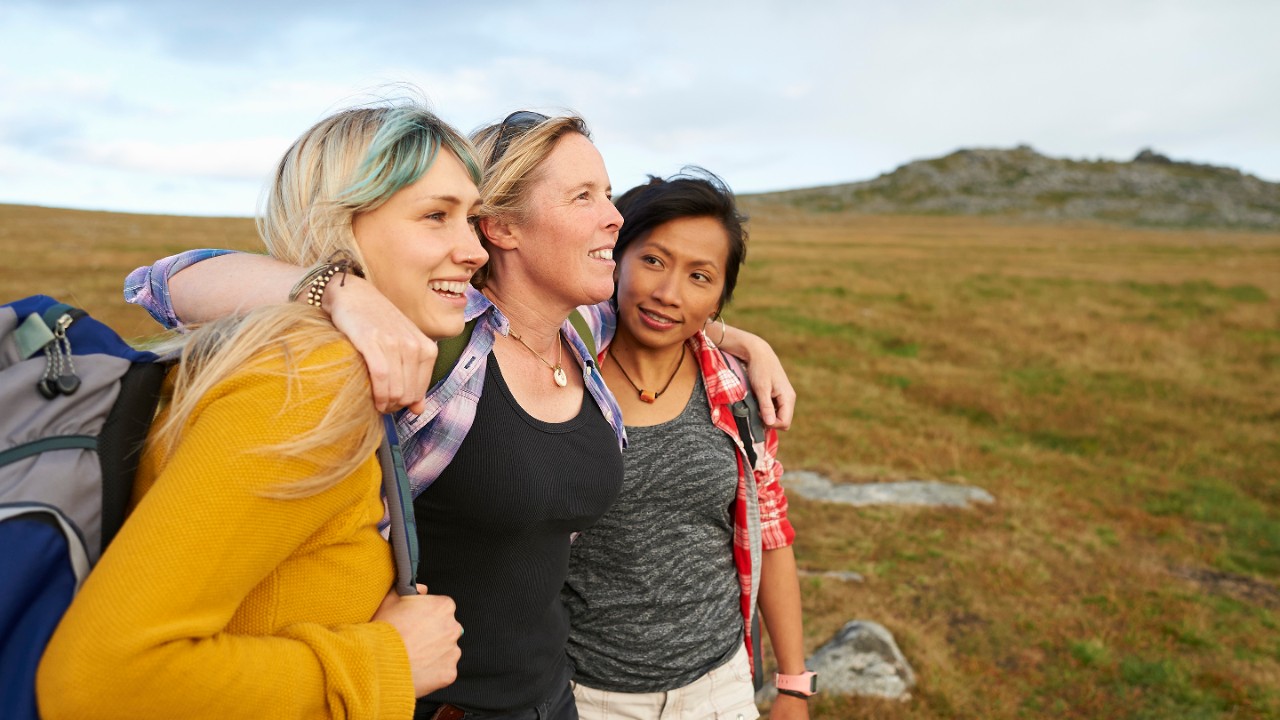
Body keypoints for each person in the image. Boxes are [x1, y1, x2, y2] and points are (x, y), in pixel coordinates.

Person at [123, 110, 795, 719]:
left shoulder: (584, 328)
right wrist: (341, 292)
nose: (616, 215)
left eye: (606, 191)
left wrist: (743, 343)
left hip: (548, 695)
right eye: (584, 196)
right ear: (501, 227)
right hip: (429, 702)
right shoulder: (433, 342)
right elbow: (162, 283)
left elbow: (665, 311)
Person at [36, 102, 475, 719]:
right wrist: (387, 662)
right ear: (342, 222)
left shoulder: (299, 355)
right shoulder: (307, 379)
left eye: (472, 219)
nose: (474, 249)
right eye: (436, 216)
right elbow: (102, 680)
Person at [566, 170, 811, 719]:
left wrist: (793, 686)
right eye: (653, 260)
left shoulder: (737, 389)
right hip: (584, 696)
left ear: (721, 295)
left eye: (700, 276)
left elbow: (771, 532)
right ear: (616, 255)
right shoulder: (556, 371)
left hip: (720, 689)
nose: (668, 293)